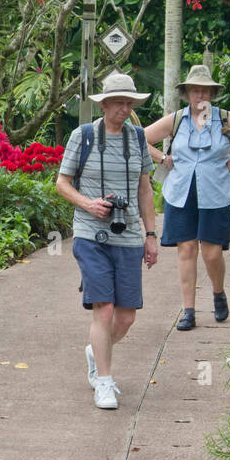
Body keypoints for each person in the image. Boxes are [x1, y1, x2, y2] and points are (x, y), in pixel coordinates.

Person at [55, 70, 158, 410]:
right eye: (118, 103)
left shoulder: (139, 138)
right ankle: (104, 381)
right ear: (104, 104)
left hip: (127, 234)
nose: (124, 109)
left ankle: (96, 352)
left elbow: (145, 188)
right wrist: (88, 203)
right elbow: (62, 183)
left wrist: (151, 234)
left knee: (126, 316)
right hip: (90, 234)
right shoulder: (82, 137)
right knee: (105, 309)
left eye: (129, 103)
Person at [143, 64, 230, 330]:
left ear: (212, 94)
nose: (199, 95)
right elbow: (139, 138)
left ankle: (218, 293)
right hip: (181, 193)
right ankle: (188, 311)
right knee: (187, 249)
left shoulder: (224, 119)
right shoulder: (177, 119)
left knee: (212, 253)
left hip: (216, 192)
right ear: (187, 93)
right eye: (195, 90)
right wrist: (162, 157)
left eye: (205, 91)